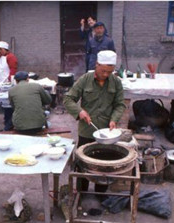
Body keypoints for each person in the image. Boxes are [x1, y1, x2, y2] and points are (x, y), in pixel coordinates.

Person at [64, 50, 126, 192]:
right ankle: (82, 191)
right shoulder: (85, 79)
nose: (105, 75)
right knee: (83, 162)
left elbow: (120, 104)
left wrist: (114, 120)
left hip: (106, 133)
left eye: (109, 72)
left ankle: (100, 192)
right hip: (87, 130)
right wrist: (80, 111)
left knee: (104, 163)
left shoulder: (116, 82)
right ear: (96, 65)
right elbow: (68, 99)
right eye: (103, 70)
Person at [0, 41, 18, 131]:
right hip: (1, 82)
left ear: (5, 49)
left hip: (7, 83)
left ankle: (9, 122)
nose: (0, 52)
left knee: (8, 104)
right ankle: (7, 120)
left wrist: (9, 81)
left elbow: (13, 70)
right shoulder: (0, 56)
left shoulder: (11, 57)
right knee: (4, 104)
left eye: (1, 50)